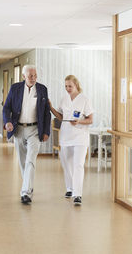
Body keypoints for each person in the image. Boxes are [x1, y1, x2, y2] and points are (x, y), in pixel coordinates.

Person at [3, 65, 51, 204]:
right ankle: (28, 187)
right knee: (23, 162)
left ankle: (26, 193)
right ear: (24, 76)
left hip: (35, 130)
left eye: (35, 75)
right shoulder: (15, 88)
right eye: (30, 76)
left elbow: (46, 112)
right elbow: (6, 108)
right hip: (19, 129)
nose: (33, 78)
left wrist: (46, 131)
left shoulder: (42, 89)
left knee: (31, 160)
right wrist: (7, 122)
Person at [49, 75, 93, 205]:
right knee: (66, 164)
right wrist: (51, 107)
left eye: (70, 86)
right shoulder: (64, 99)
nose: (68, 88)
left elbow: (90, 119)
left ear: (76, 85)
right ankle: (70, 188)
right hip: (66, 136)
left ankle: (77, 194)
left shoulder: (84, 99)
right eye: (66, 86)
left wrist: (79, 121)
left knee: (78, 164)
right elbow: (61, 117)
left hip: (80, 136)